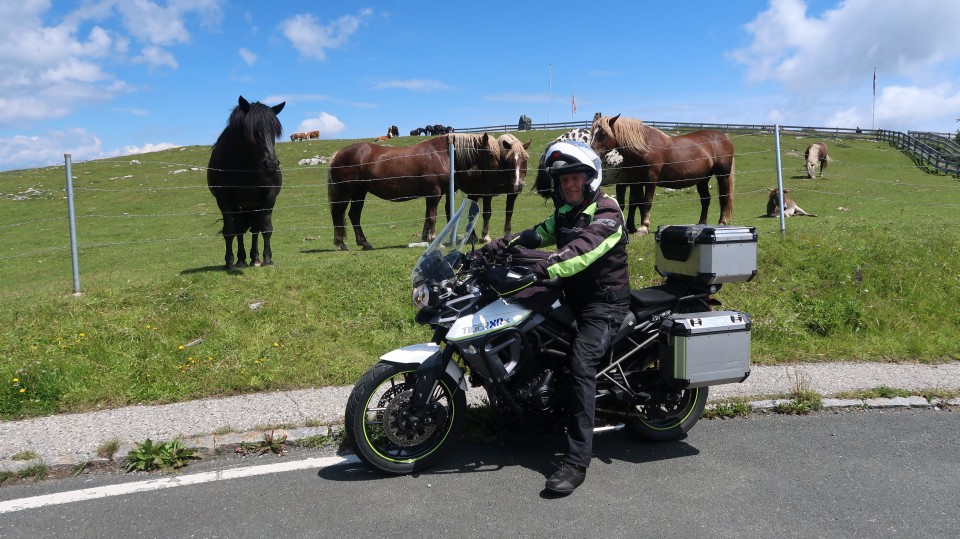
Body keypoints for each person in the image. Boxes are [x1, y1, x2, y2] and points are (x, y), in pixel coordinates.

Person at [483, 140, 630, 495]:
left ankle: (577, 460)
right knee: (523, 320)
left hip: (603, 306)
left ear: (590, 178)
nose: (569, 185)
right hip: (572, 296)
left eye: (575, 177)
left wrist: (544, 268)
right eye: (563, 179)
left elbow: (581, 250)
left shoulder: (607, 213)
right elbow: (536, 234)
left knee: (582, 365)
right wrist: (495, 248)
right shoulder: (564, 212)